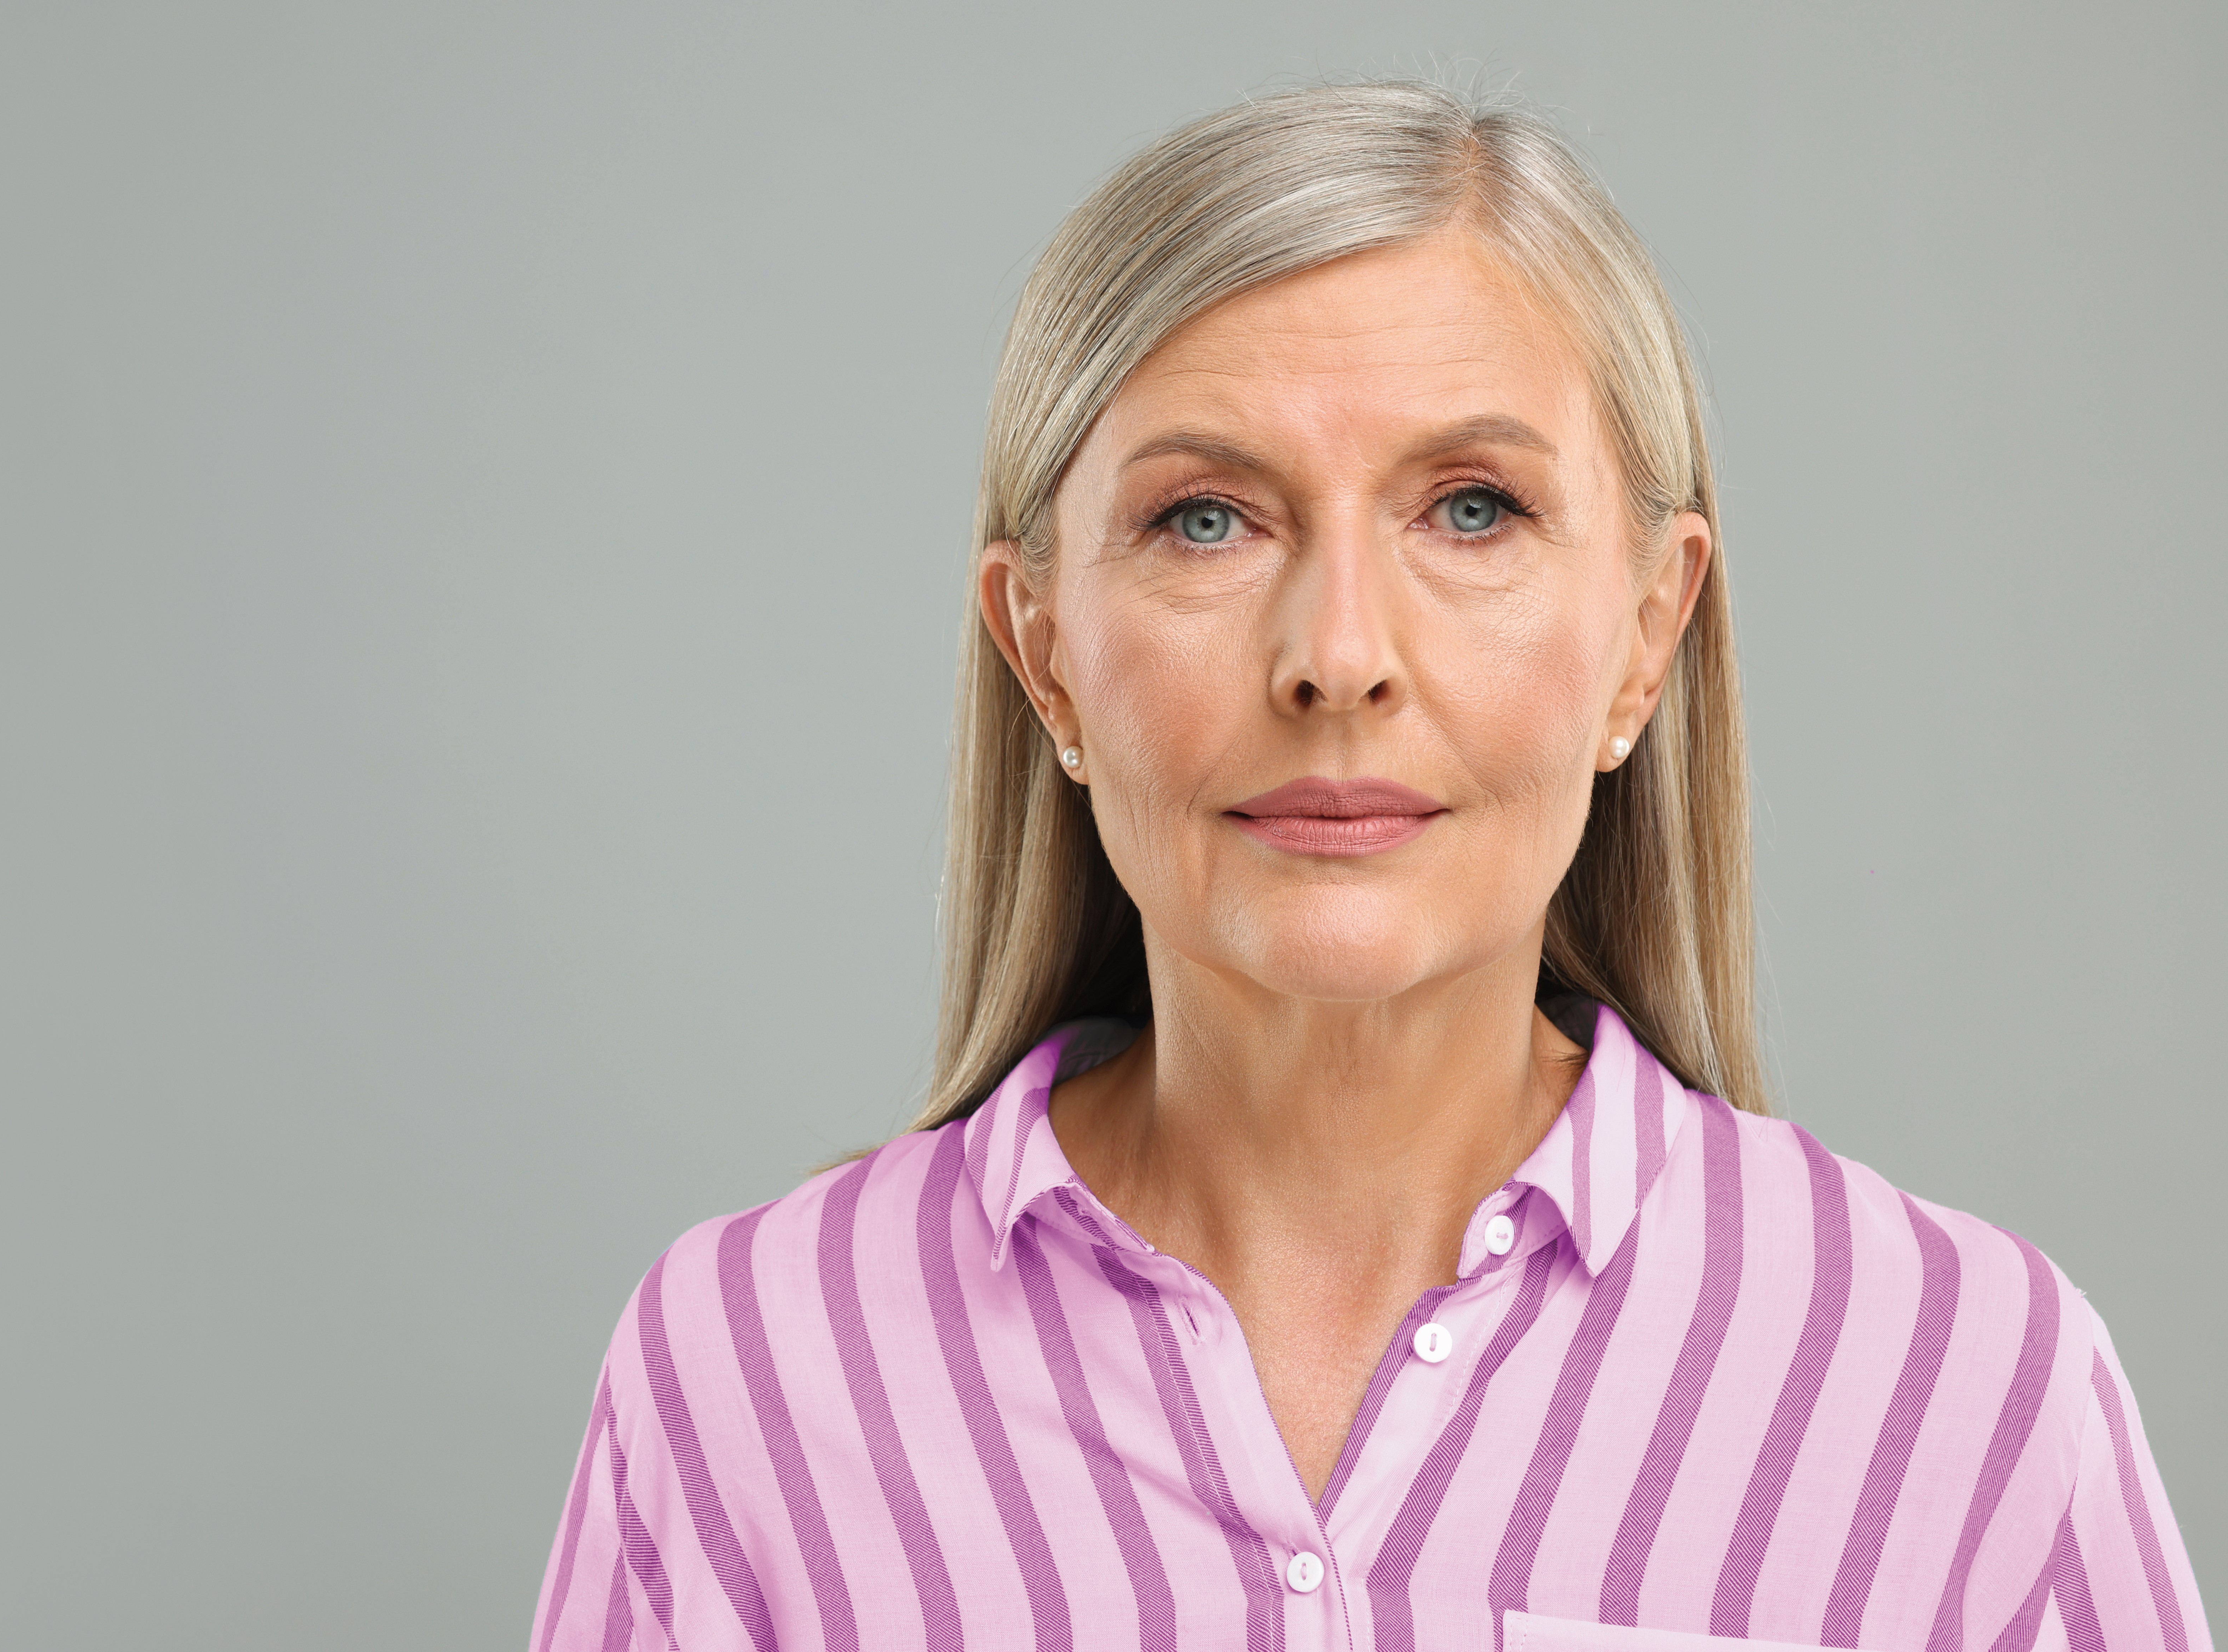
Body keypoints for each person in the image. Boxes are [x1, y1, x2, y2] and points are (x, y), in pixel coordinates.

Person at [530, 80, 2206, 1652]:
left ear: (1646, 634)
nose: (1337, 655)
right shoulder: (743, 1372)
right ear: (1045, 657)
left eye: (1470, 509)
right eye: (1208, 518)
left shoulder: (1970, 1388)